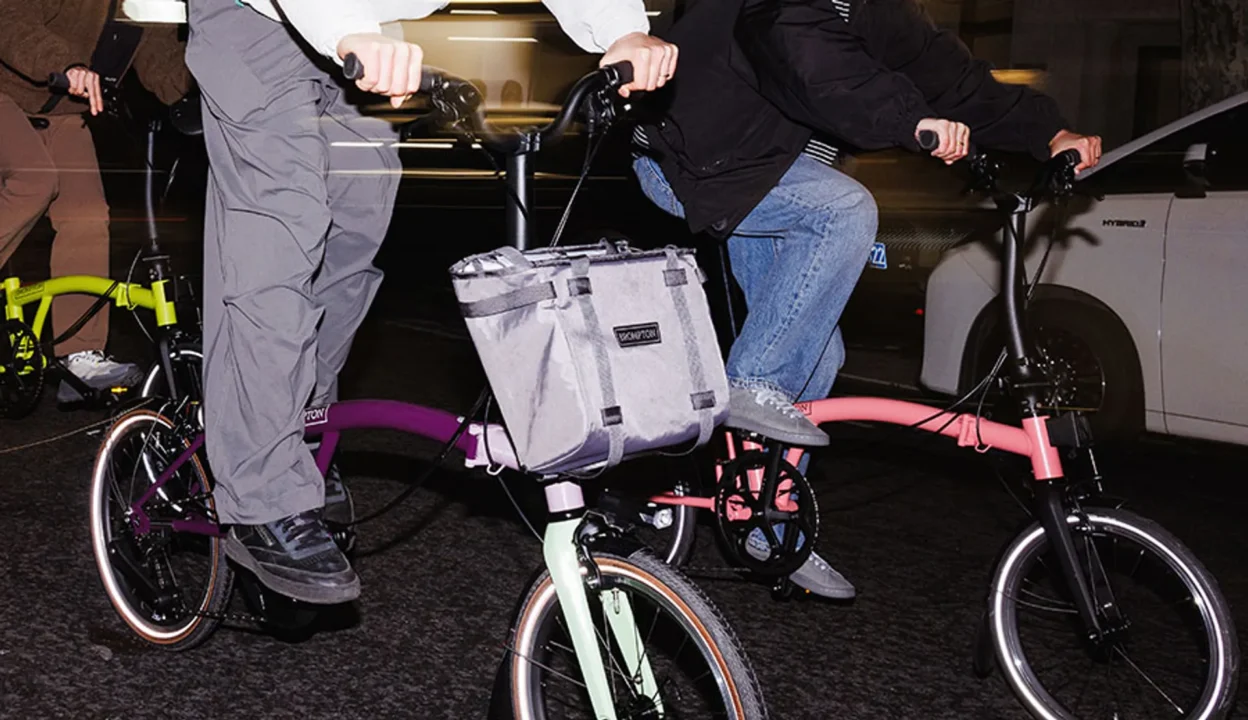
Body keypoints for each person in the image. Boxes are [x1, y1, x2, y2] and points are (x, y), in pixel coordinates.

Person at [186, 0, 679, 605]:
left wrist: (622, 30)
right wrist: (346, 31)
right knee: (282, 240)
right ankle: (263, 491)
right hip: (259, 19)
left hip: (364, 26)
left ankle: (299, 431)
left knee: (352, 244)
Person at [631, 0, 1102, 599]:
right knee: (846, 212)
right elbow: (813, 61)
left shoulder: (877, 10)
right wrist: (911, 120)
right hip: (694, 158)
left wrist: (1048, 133)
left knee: (818, 353)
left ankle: (768, 521)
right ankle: (751, 383)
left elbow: (951, 76)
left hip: (764, 169)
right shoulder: (782, 8)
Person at [0, 0, 192, 403]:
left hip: (62, 113)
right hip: (5, 92)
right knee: (34, 180)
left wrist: (205, 87)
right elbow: (9, 17)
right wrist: (65, 64)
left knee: (87, 215)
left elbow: (160, 59)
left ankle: (79, 355)